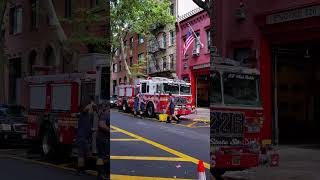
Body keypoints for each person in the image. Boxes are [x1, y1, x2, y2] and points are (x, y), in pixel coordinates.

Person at [76, 97, 96, 175]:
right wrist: (91, 103)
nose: (92, 111)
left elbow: (87, 127)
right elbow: (86, 109)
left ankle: (81, 169)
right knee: (82, 154)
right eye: (91, 109)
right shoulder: (83, 114)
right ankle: (80, 169)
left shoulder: (88, 117)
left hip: (85, 138)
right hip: (81, 138)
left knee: (84, 154)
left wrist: (93, 130)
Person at [96, 102, 110, 180]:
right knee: (102, 157)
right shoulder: (105, 114)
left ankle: (101, 174)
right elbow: (101, 124)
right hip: (103, 139)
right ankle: (101, 174)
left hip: (103, 138)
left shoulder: (104, 113)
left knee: (102, 156)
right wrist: (109, 130)